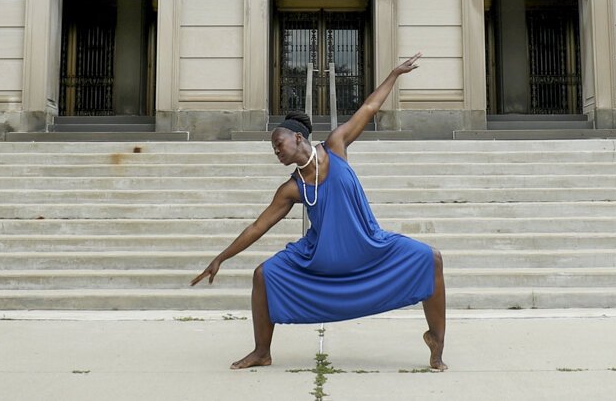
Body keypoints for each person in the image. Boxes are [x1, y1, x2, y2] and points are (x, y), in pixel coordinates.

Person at [191, 52, 446, 371]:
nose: (276, 151)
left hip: (369, 245)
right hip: (320, 257)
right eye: (273, 149)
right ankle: (261, 351)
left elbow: (368, 108)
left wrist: (394, 74)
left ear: (297, 137)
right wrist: (220, 258)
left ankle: (436, 344)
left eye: (278, 144)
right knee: (263, 275)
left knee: (431, 259)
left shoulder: (336, 146)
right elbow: (258, 227)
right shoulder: (292, 188)